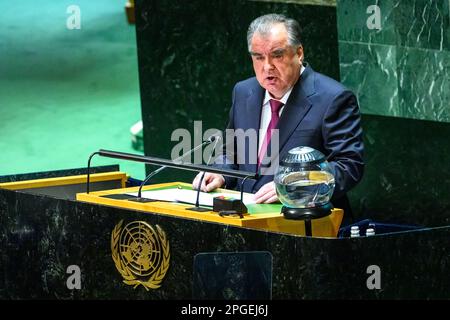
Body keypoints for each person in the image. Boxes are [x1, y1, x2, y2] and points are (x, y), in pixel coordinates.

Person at [192, 13, 364, 222]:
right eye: (258, 57)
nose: (267, 67)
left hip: (307, 225)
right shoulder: (244, 91)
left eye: (277, 55)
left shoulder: (333, 98)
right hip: (243, 221)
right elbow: (232, 151)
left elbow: (348, 165)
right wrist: (220, 173)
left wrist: (291, 186)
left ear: (299, 53)